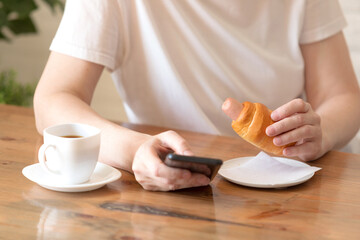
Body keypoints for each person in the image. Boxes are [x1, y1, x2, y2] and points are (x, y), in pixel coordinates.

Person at [34, 0, 360, 191]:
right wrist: (133, 150)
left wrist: (322, 131)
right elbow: (53, 99)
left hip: (293, 188)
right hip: (174, 191)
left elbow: (343, 95)